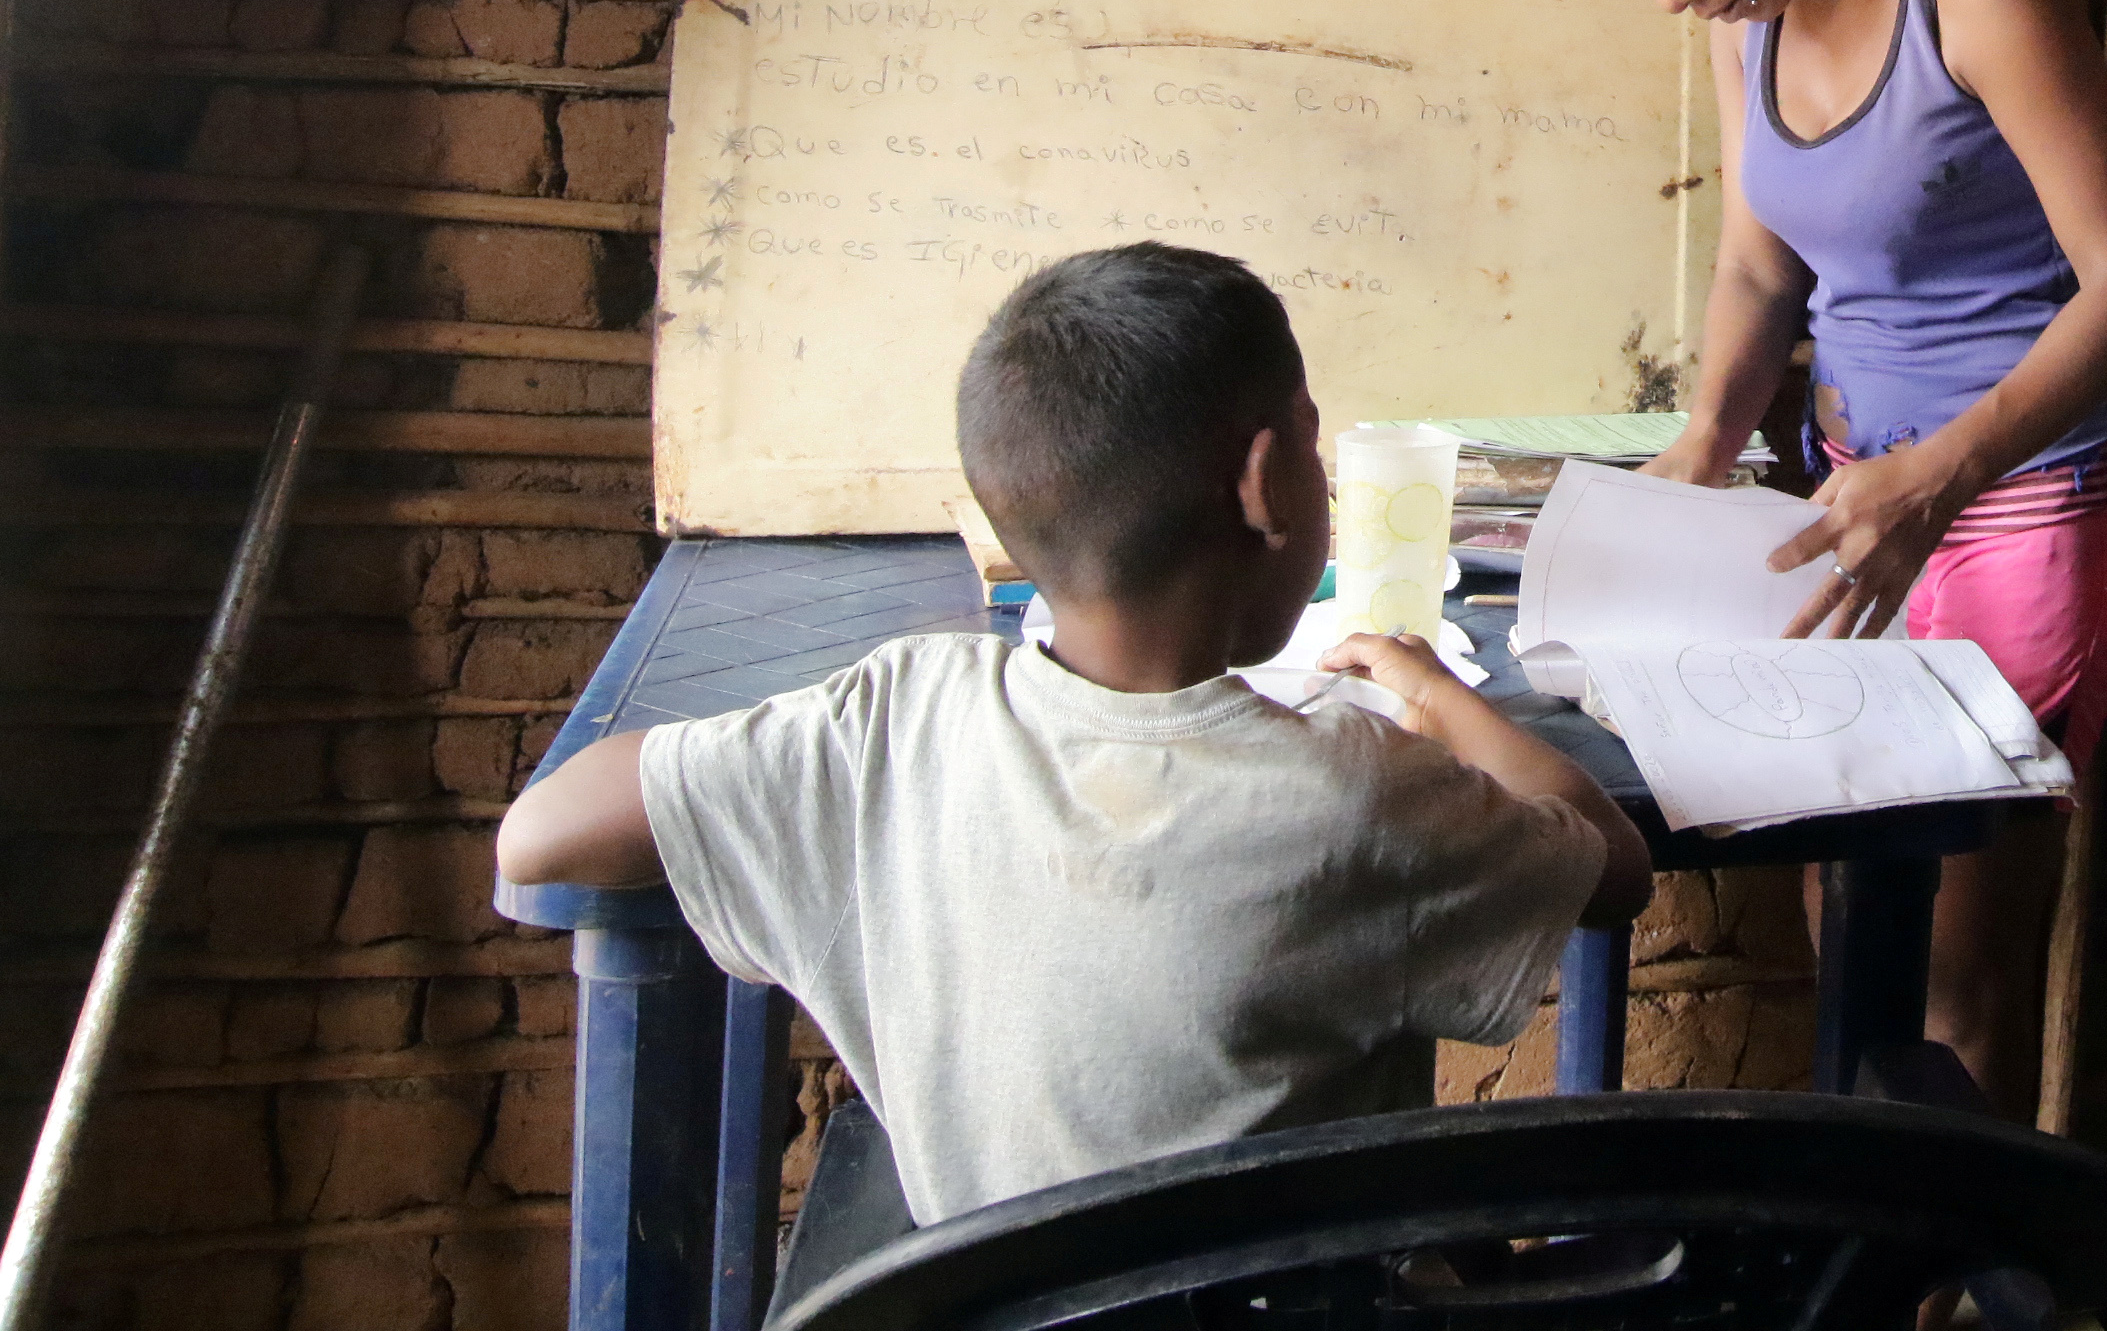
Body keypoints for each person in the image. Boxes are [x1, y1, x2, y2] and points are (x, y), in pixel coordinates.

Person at [495, 242, 1651, 1226]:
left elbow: (539, 836)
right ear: (1267, 483)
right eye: (1311, 440)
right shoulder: (1357, 793)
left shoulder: (891, 721)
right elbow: (1610, 864)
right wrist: (1435, 690)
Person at [1541, 0, 2107, 1116]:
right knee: (1846, 926)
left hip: (2019, 515)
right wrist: (1704, 440)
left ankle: (1934, 1282)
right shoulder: (1745, 15)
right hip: (1856, 505)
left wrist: (1944, 472)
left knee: (1952, 956)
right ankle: (1874, 1249)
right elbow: (1766, 264)